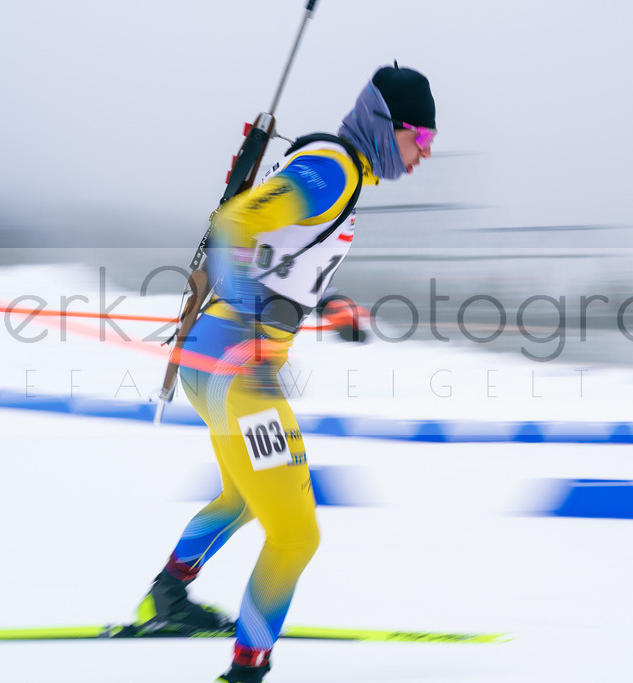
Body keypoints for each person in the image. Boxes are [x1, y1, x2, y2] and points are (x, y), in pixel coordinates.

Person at [134, 64, 436, 683]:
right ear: (389, 126)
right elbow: (234, 226)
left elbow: (279, 260)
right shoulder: (333, 171)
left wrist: (325, 305)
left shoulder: (339, 172)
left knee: (244, 497)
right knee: (296, 535)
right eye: (422, 139)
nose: (424, 155)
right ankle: (247, 671)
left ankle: (166, 598)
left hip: (212, 360)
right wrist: (254, 324)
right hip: (236, 366)